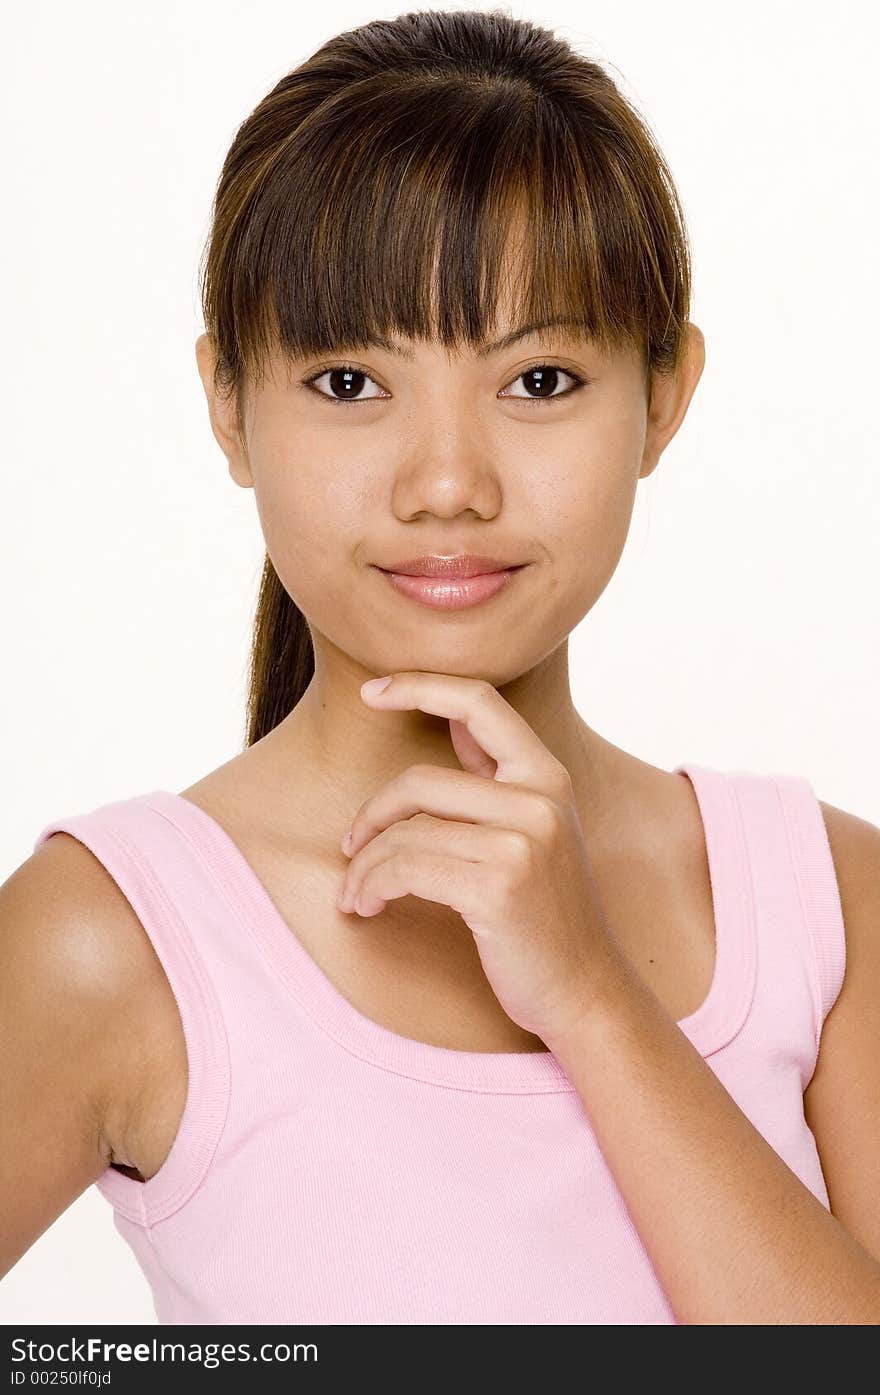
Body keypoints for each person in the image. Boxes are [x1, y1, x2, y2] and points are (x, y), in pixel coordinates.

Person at [3, 9, 879, 1326]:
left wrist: (588, 991)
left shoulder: (825, 904)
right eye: (351, 382)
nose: (449, 484)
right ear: (230, 405)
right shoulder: (111, 938)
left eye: (538, 379)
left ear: (666, 396)